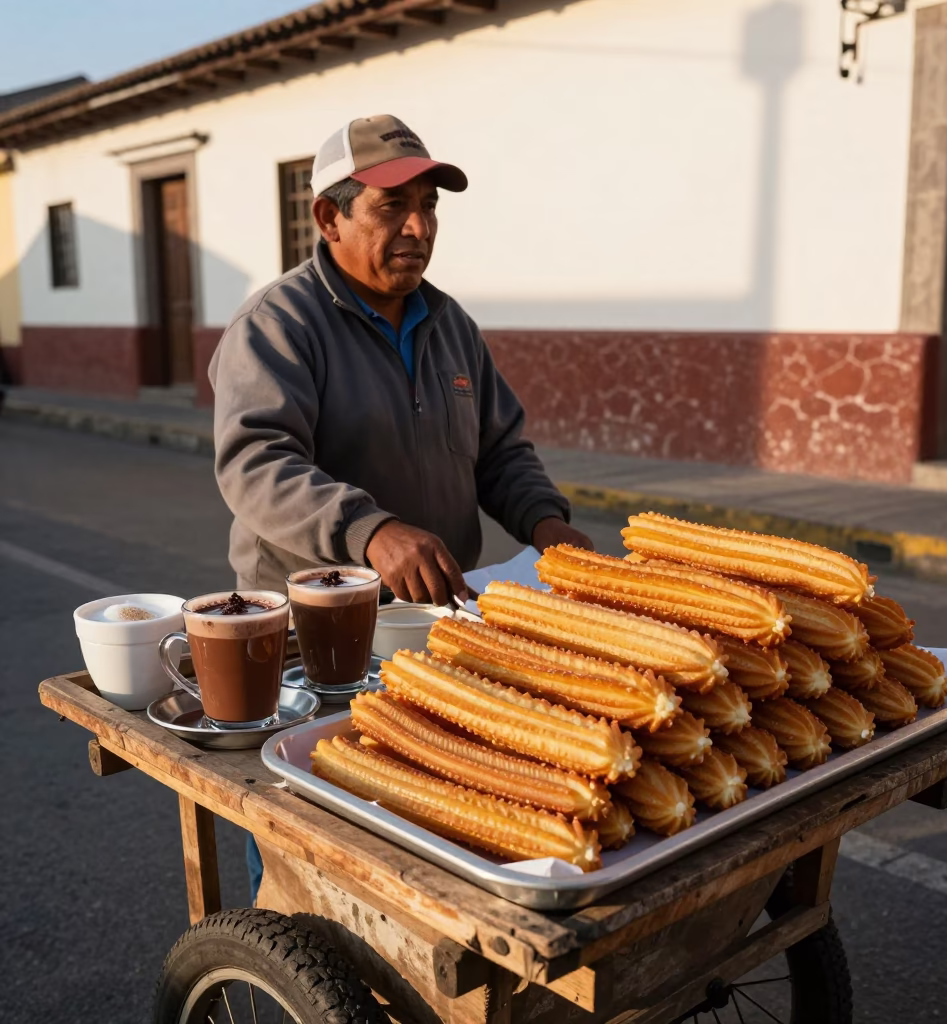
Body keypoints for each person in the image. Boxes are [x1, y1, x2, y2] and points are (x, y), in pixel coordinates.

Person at [208, 115, 592, 900]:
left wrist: (546, 523)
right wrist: (370, 530)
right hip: (314, 637)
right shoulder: (280, 323)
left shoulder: (450, 325)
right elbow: (256, 461)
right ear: (330, 217)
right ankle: (286, 959)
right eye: (391, 208)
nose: (418, 228)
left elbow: (501, 453)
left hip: (435, 625)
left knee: (424, 824)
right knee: (302, 828)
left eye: (429, 206)